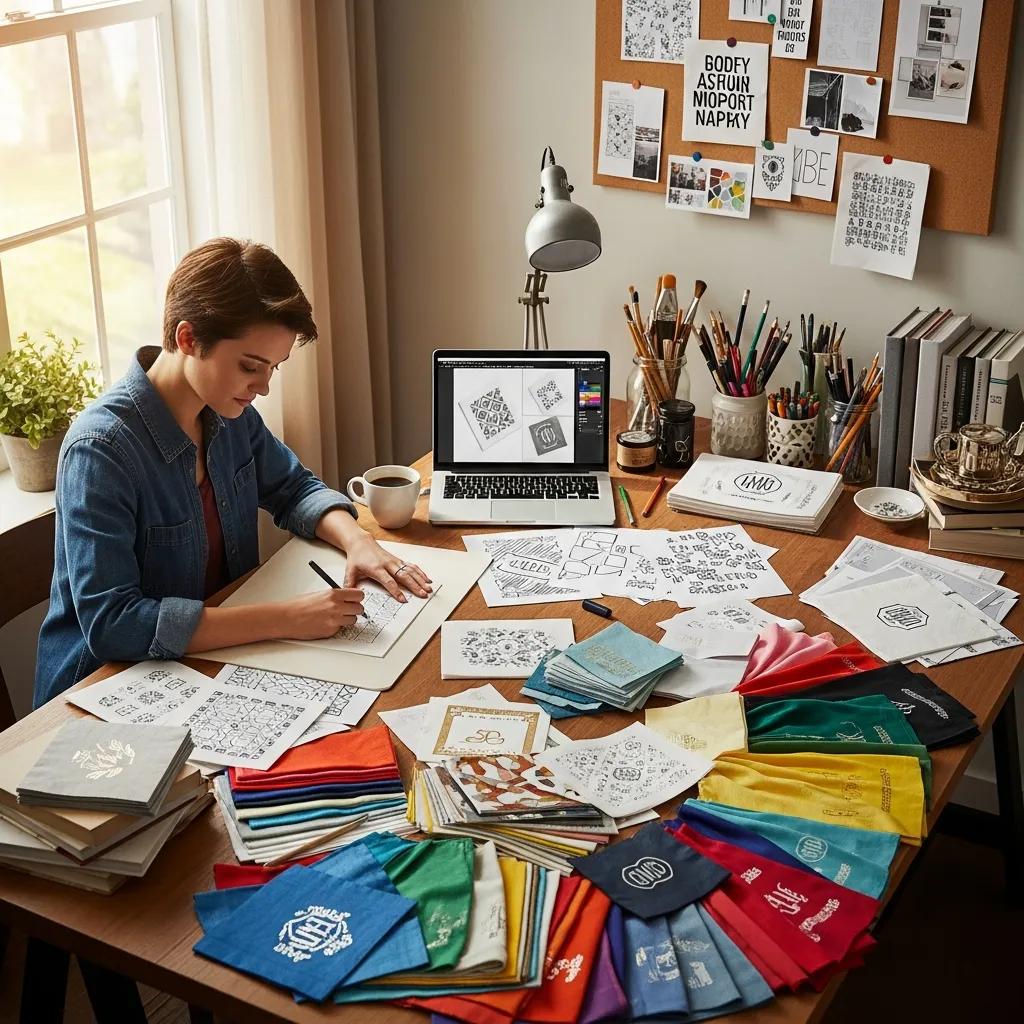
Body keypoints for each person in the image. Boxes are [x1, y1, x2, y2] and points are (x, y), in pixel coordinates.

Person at [34, 237, 430, 708]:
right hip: (101, 695)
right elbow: (114, 624)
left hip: (214, 665)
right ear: (187, 338)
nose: (262, 387)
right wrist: (286, 618)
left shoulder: (227, 414)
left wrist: (359, 541)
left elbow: (292, 487)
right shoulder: (100, 451)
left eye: (273, 368)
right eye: (250, 366)